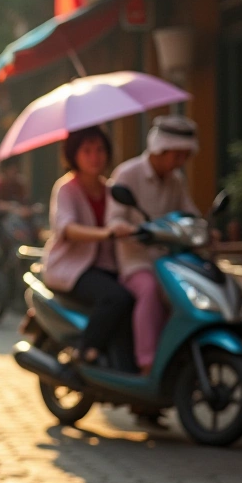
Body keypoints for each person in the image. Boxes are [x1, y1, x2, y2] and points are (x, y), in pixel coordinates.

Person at [107, 115, 201, 374]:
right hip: (136, 262)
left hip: (170, 263)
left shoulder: (176, 181)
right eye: (176, 155)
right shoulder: (127, 174)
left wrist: (204, 230)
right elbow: (114, 217)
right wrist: (125, 228)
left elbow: (189, 213)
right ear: (160, 150)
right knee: (149, 290)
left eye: (184, 156)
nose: (180, 162)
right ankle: (146, 362)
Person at [42, 127, 137, 366]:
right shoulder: (66, 189)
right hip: (73, 268)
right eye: (87, 151)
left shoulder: (112, 189)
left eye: (100, 150)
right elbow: (67, 228)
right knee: (117, 297)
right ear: (74, 154)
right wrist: (105, 233)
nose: (95, 157)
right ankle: (87, 349)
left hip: (109, 266)